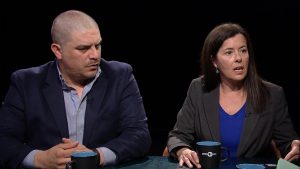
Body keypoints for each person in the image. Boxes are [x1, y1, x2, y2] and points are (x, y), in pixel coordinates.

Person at [0, 10, 151, 169]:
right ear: (58, 50)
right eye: (83, 48)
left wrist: (96, 156)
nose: (94, 55)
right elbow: (4, 140)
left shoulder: (120, 76)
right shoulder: (26, 83)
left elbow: (139, 135)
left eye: (97, 45)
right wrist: (39, 159)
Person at [167, 22, 300, 168]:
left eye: (243, 50)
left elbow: (288, 143)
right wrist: (182, 150)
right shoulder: (198, 89)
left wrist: (294, 147)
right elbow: (178, 136)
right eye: (229, 52)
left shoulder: (272, 95)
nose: (238, 58)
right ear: (213, 61)